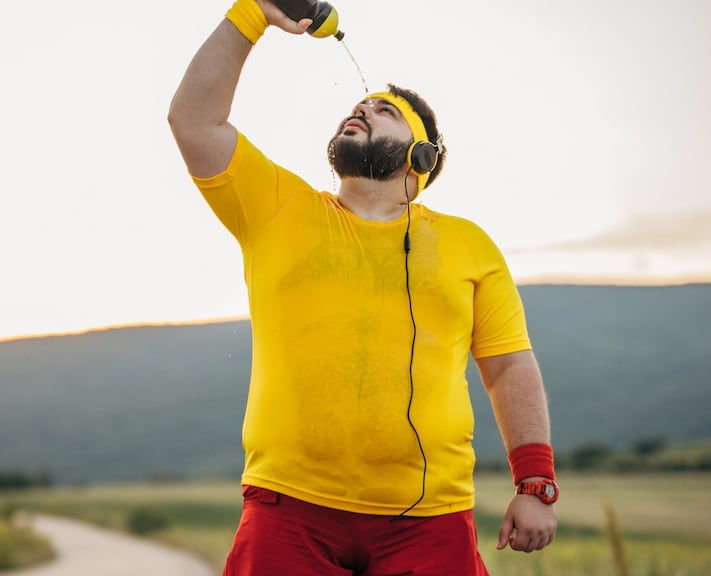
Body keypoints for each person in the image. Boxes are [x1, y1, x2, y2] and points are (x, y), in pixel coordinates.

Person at [168, 1, 558, 574]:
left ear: (420, 159)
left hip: (432, 518)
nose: (362, 111)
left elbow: (507, 366)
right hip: (288, 507)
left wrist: (536, 481)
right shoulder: (278, 208)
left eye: (384, 112)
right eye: (358, 106)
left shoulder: (468, 244)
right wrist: (252, 13)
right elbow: (193, 120)